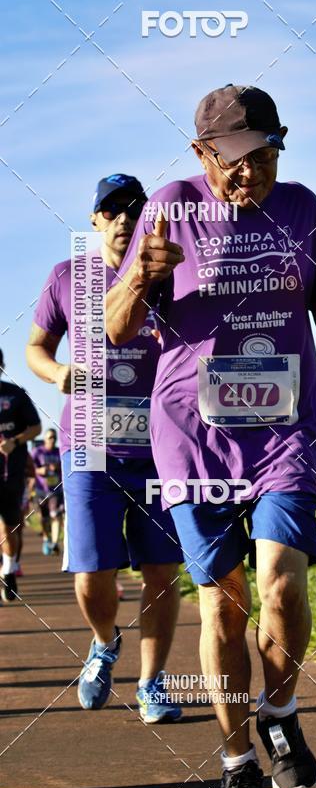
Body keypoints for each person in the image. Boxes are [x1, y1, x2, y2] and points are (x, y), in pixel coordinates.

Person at [106, 85, 316, 788]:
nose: (250, 171)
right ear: (201, 155)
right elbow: (118, 327)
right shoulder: (170, 204)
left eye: (265, 153)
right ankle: (234, 759)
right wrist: (139, 273)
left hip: (283, 429)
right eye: (233, 159)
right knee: (224, 605)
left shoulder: (303, 210)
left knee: (282, 587)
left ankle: (280, 714)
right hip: (193, 437)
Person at [26, 174, 184, 722]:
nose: (123, 218)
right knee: (93, 572)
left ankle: (152, 683)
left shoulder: (175, 275)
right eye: (111, 209)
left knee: (162, 570)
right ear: (94, 219)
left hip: (164, 446)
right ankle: (103, 641)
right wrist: (56, 373)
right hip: (89, 442)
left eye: (133, 208)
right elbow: (35, 347)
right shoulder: (67, 275)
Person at [0, 349, 42, 601]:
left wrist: (15, 441)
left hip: (9, 473)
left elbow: (36, 427)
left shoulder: (15, 394)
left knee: (9, 526)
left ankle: (8, 570)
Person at [32, 429, 64, 555]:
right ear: (44, 439)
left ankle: (55, 543)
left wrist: (57, 467)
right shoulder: (37, 452)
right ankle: (47, 539)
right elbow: (30, 467)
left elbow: (67, 466)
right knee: (44, 519)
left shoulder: (59, 452)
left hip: (55, 491)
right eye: (50, 437)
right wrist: (39, 471)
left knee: (56, 515)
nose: (52, 440)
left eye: (54, 438)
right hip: (41, 491)